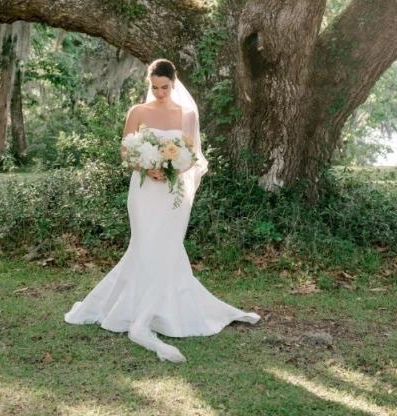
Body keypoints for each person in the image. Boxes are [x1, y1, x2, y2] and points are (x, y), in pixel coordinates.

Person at [64, 58, 260, 362]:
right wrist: (148, 165)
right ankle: (129, 308)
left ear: (174, 81)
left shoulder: (188, 114)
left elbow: (193, 157)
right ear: (148, 83)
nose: (159, 92)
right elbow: (126, 153)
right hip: (143, 191)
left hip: (172, 193)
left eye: (165, 87)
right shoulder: (138, 112)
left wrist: (171, 168)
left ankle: (168, 311)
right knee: (143, 246)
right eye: (154, 87)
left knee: (167, 247)